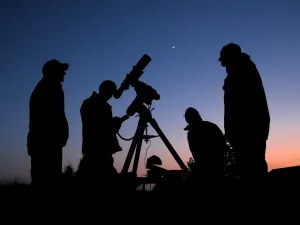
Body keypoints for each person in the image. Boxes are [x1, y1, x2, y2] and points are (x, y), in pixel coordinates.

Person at [219, 43, 270, 180]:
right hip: (248, 130)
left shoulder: (241, 71)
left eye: (223, 61)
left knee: (251, 170)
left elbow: (239, 105)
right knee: (252, 167)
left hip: (247, 130)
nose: (223, 66)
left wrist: (232, 130)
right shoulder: (243, 70)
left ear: (230, 57)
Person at [27, 59, 69, 189]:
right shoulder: (48, 88)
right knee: (46, 182)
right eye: (61, 70)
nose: (64, 73)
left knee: (49, 181)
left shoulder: (50, 87)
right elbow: (49, 118)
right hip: (46, 142)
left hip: (49, 141)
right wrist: (59, 134)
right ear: (52, 72)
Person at [80, 80, 123, 192]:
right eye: (110, 92)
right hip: (97, 152)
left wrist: (112, 124)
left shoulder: (96, 104)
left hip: (100, 151)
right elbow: (98, 129)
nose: (110, 96)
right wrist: (113, 125)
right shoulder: (93, 104)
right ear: (103, 90)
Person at [184, 107, 226, 181]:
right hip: (213, 167)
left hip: (212, 167)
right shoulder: (212, 127)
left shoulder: (192, 133)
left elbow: (196, 152)